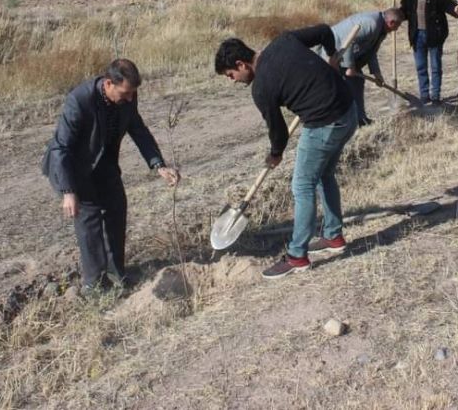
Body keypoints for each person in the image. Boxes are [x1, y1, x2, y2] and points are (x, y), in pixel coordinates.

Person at [214, 26, 357, 279]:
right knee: (324, 175)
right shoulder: (283, 41)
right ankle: (334, 237)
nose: (232, 80)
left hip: (325, 123)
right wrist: (332, 57)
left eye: (230, 74)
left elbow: (277, 129)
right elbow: (325, 30)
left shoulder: (261, 88)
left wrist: (275, 153)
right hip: (348, 111)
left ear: (241, 64)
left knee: (302, 185)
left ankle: (297, 255)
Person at [42, 59, 180, 293]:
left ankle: (117, 276)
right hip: (74, 167)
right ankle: (94, 286)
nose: (129, 99)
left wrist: (159, 165)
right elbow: (60, 148)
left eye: (132, 94)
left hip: (105, 162)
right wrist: (68, 191)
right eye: (125, 93)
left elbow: (138, 129)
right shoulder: (80, 100)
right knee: (90, 221)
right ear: (108, 83)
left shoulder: (128, 96)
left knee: (117, 208)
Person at [319, 8, 405, 126]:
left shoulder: (382, 29)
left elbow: (371, 52)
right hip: (334, 51)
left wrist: (377, 73)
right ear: (391, 23)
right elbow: (349, 40)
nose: (397, 29)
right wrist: (350, 67)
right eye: (398, 26)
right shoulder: (372, 24)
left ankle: (360, 119)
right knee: (336, 88)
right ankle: (334, 121)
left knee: (357, 81)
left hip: (346, 53)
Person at [399, 0, 458, 106]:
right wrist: (396, 14)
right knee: (420, 67)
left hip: (435, 35)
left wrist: (457, 9)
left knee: (435, 67)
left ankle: (435, 96)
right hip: (417, 36)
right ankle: (424, 96)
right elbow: (403, 11)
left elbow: (450, 6)